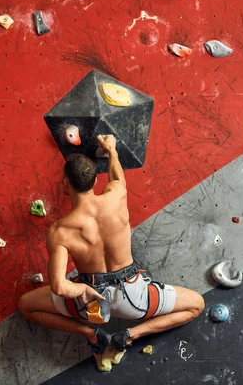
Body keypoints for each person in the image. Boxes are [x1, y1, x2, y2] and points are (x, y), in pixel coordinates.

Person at [19, 134, 205, 359]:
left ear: (65, 183)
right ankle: (130, 335)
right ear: (96, 181)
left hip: (88, 304)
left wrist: (83, 290)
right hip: (134, 299)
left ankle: (90, 332)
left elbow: (59, 287)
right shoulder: (117, 194)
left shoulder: (60, 231)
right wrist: (111, 151)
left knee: (26, 305)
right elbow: (117, 178)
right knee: (196, 304)